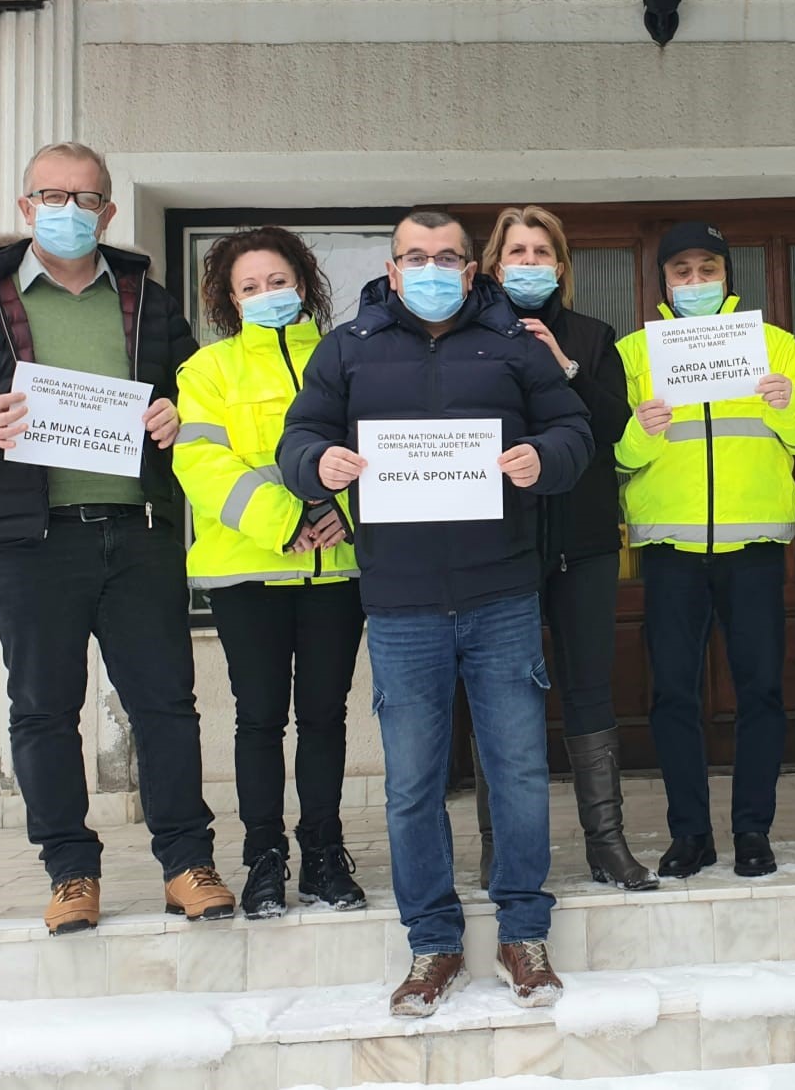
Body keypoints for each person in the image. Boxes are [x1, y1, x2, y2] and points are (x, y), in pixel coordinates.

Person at [0, 141, 234, 933]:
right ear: (26, 208)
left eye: (86, 199)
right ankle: (70, 871)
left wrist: (177, 415)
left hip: (139, 529)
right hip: (27, 538)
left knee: (166, 706)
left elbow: (192, 390)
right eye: (53, 196)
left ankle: (186, 861)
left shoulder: (147, 298)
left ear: (108, 211)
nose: (70, 211)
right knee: (44, 709)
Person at [277, 210, 592, 1018]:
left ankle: (524, 932)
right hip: (400, 600)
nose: (430, 267)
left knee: (518, 773)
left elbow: (573, 429)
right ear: (391, 263)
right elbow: (298, 436)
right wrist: (320, 462)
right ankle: (433, 942)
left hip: (501, 595)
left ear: (468, 266)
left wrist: (543, 458)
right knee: (412, 784)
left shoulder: (513, 343)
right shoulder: (347, 346)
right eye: (415, 256)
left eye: (446, 256)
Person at [616, 221, 795, 881]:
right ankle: (690, 833)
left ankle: (751, 830)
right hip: (670, 547)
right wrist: (641, 431)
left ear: (727, 275)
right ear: (662, 281)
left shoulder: (772, 345)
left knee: (761, 691)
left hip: (754, 545)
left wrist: (788, 404)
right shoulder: (635, 352)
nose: (694, 282)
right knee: (673, 696)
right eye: (680, 270)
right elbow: (616, 458)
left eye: (706, 268)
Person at [173, 227, 366, 920]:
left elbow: (378, 447)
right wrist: (285, 520)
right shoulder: (208, 370)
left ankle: (321, 853)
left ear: (304, 283)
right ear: (229, 299)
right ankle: (263, 857)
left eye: (276, 281)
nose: (266, 295)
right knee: (258, 718)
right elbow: (201, 464)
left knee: (323, 715)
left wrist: (350, 510)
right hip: (249, 571)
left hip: (336, 569)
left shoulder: (347, 357)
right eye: (248, 287)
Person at [475, 205, 657, 892]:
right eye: (515, 252)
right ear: (493, 266)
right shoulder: (471, 334)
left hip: (581, 541)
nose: (528, 263)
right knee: (501, 699)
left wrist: (565, 364)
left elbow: (614, 428)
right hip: (500, 544)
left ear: (560, 265)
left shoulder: (591, 335)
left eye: (540, 252)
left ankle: (606, 844)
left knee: (588, 688)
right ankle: (502, 848)